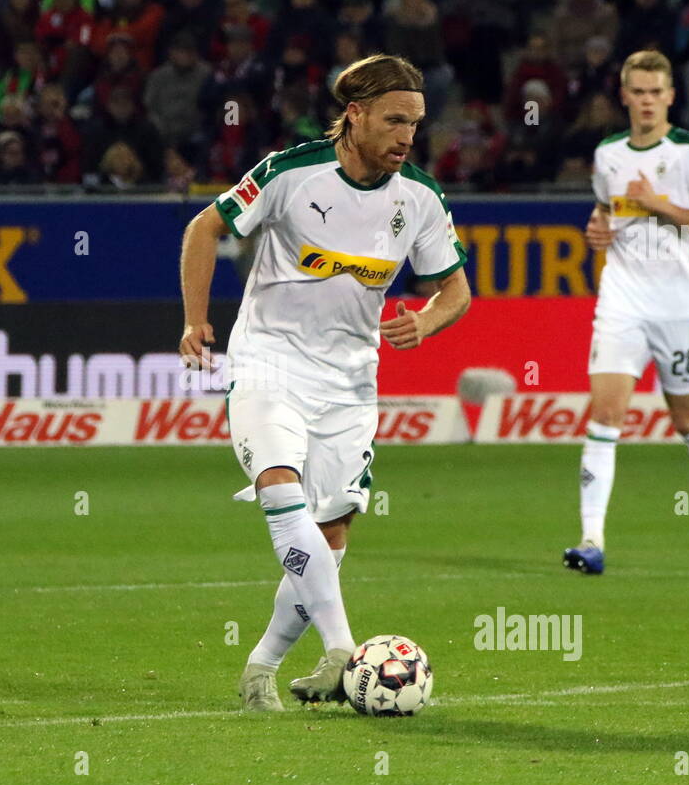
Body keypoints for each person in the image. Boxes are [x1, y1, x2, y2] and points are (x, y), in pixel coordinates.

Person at [178, 54, 471, 711]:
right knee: (278, 486)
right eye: (395, 121)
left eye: (416, 125)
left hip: (349, 381)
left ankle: (261, 669)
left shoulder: (419, 198)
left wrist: (426, 323)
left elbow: (456, 290)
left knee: (330, 535)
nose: (406, 137)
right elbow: (207, 226)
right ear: (356, 114)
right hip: (269, 362)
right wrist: (196, 320)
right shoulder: (289, 171)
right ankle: (343, 649)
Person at [568, 50, 689, 576]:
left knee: (686, 417)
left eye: (654, 92)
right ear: (624, 95)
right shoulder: (608, 154)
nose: (645, 101)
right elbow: (605, 213)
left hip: (679, 304)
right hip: (622, 298)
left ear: (670, 96)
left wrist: (660, 204)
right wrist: (596, 230)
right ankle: (591, 540)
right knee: (605, 414)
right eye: (636, 91)